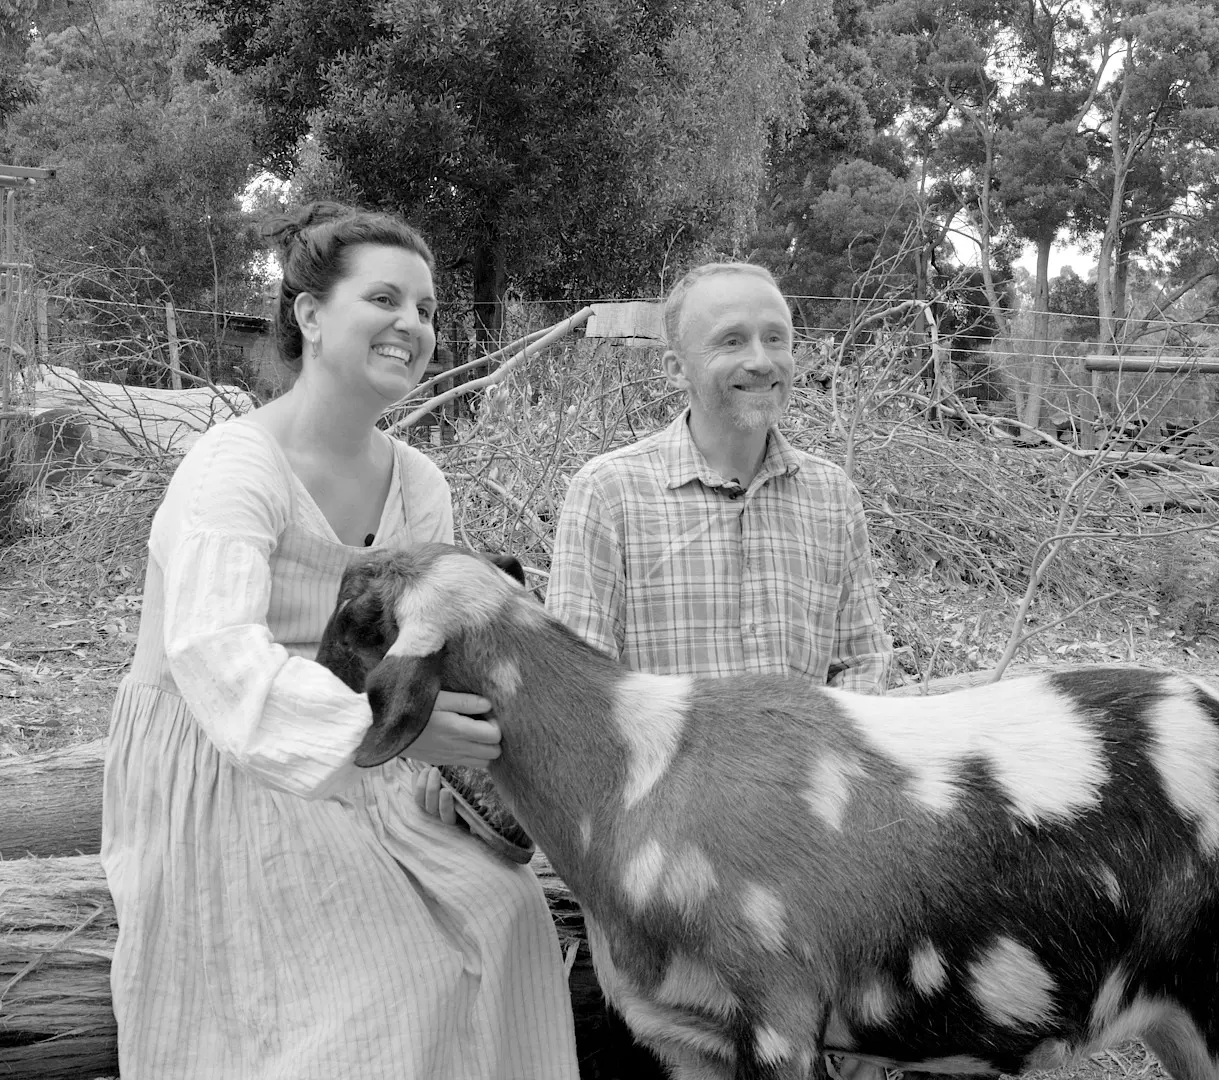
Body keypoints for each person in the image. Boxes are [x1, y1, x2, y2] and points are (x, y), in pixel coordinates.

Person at [101, 203, 579, 1079]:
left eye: (428, 310)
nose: (412, 325)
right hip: (223, 766)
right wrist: (386, 733)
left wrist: (460, 755)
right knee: (392, 987)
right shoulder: (234, 466)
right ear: (310, 315)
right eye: (385, 299)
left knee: (509, 915)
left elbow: (434, 651)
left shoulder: (417, 482)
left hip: (369, 761)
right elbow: (214, 657)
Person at [547, 261, 891, 692]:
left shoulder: (832, 496)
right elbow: (578, 689)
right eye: (732, 341)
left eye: (774, 338)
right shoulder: (608, 496)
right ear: (677, 369)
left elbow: (861, 664)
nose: (761, 361)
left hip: (807, 760)